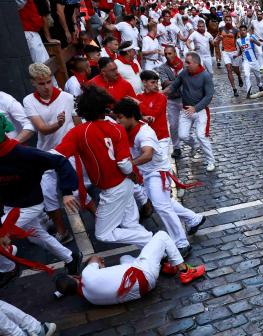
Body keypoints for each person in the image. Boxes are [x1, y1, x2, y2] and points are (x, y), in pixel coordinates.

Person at [53, 86, 154, 247]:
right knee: (131, 225)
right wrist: (132, 173)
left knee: (103, 233)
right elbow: (124, 164)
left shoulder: (78, 132)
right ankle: (160, 253)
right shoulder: (116, 126)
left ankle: (154, 241)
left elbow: (56, 156)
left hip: (112, 188)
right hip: (126, 183)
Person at [113, 99, 205, 253]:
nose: (117, 121)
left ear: (131, 117)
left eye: (120, 117)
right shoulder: (133, 127)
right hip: (150, 173)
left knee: (162, 207)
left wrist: (131, 164)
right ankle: (194, 218)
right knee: (164, 202)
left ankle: (182, 244)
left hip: (157, 174)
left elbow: (148, 154)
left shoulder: (144, 133)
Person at [0, 113, 82, 284]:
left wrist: (67, 191)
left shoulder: (23, 154)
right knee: (36, 235)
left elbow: (60, 161)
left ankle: (9, 268)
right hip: (10, 205)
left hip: (29, 206)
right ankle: (70, 257)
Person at [54, 231, 206, 305]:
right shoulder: (87, 275)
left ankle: (164, 267)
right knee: (161, 236)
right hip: (144, 272)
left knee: (124, 258)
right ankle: (185, 270)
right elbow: (94, 259)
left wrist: (98, 268)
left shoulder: (91, 300)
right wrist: (93, 262)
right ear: (73, 277)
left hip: (145, 288)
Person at [23, 63, 81, 244]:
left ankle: (100, 222)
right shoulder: (28, 101)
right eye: (42, 83)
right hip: (46, 154)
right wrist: (57, 124)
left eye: (49, 82)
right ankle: (62, 230)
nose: (47, 87)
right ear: (33, 83)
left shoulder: (67, 97)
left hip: (69, 152)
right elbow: (42, 128)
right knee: (48, 193)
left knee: (79, 192)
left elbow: (77, 119)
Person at [165, 52, 216, 172]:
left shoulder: (205, 76)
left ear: (196, 63)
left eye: (188, 62)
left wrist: (196, 108)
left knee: (201, 136)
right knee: (182, 135)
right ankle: (195, 146)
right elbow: (174, 86)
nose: (185, 64)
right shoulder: (184, 73)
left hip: (200, 111)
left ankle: (211, 161)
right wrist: (162, 92)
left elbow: (208, 96)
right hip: (185, 110)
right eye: (185, 62)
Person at [156, 46, 184, 159]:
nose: (168, 56)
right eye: (166, 54)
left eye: (170, 53)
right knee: (173, 125)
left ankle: (193, 142)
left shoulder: (184, 64)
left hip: (185, 98)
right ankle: (176, 147)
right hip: (172, 99)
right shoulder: (163, 68)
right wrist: (181, 80)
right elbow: (164, 82)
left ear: (175, 53)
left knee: (189, 123)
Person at [215, 16, 243, 97]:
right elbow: (217, 38)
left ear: (231, 21)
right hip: (225, 51)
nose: (228, 21)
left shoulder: (235, 30)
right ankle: (234, 89)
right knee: (228, 69)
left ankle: (239, 76)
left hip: (234, 52)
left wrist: (240, 52)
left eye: (229, 20)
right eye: (226, 20)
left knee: (236, 69)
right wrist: (216, 40)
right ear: (224, 21)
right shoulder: (221, 29)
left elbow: (240, 41)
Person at [236, 25, 263, 98]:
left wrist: (253, 41)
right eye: (241, 30)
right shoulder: (238, 41)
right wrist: (236, 55)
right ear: (239, 31)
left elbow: (259, 44)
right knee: (246, 75)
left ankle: (260, 85)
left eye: (244, 30)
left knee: (258, 76)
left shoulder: (251, 37)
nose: (242, 32)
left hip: (254, 61)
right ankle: (249, 90)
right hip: (246, 62)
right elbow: (240, 51)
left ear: (246, 31)